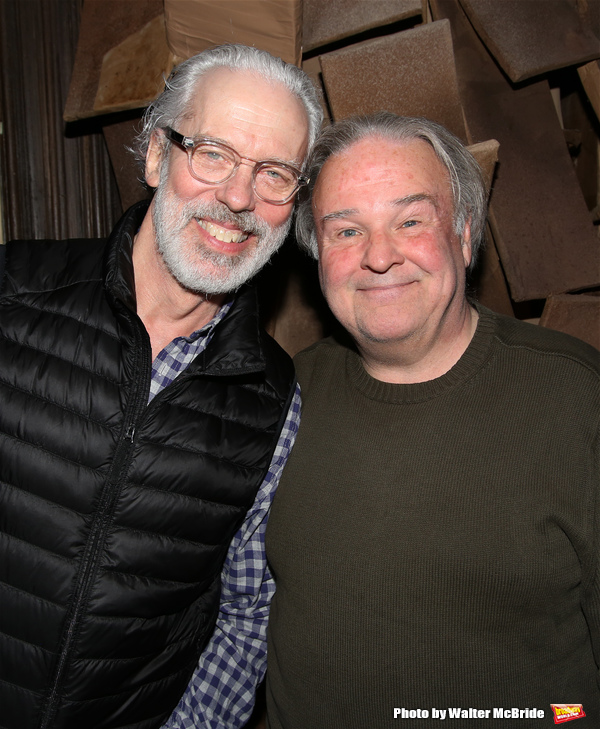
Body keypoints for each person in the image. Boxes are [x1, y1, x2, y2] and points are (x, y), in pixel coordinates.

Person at [0, 44, 322, 729]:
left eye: (273, 174)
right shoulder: (10, 295)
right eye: (212, 152)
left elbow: (247, 616)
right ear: (154, 154)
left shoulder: (272, 405)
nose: (238, 197)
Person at [265, 112, 600, 728]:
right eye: (345, 231)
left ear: (466, 235)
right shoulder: (279, 400)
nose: (378, 257)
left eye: (411, 221)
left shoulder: (577, 396)